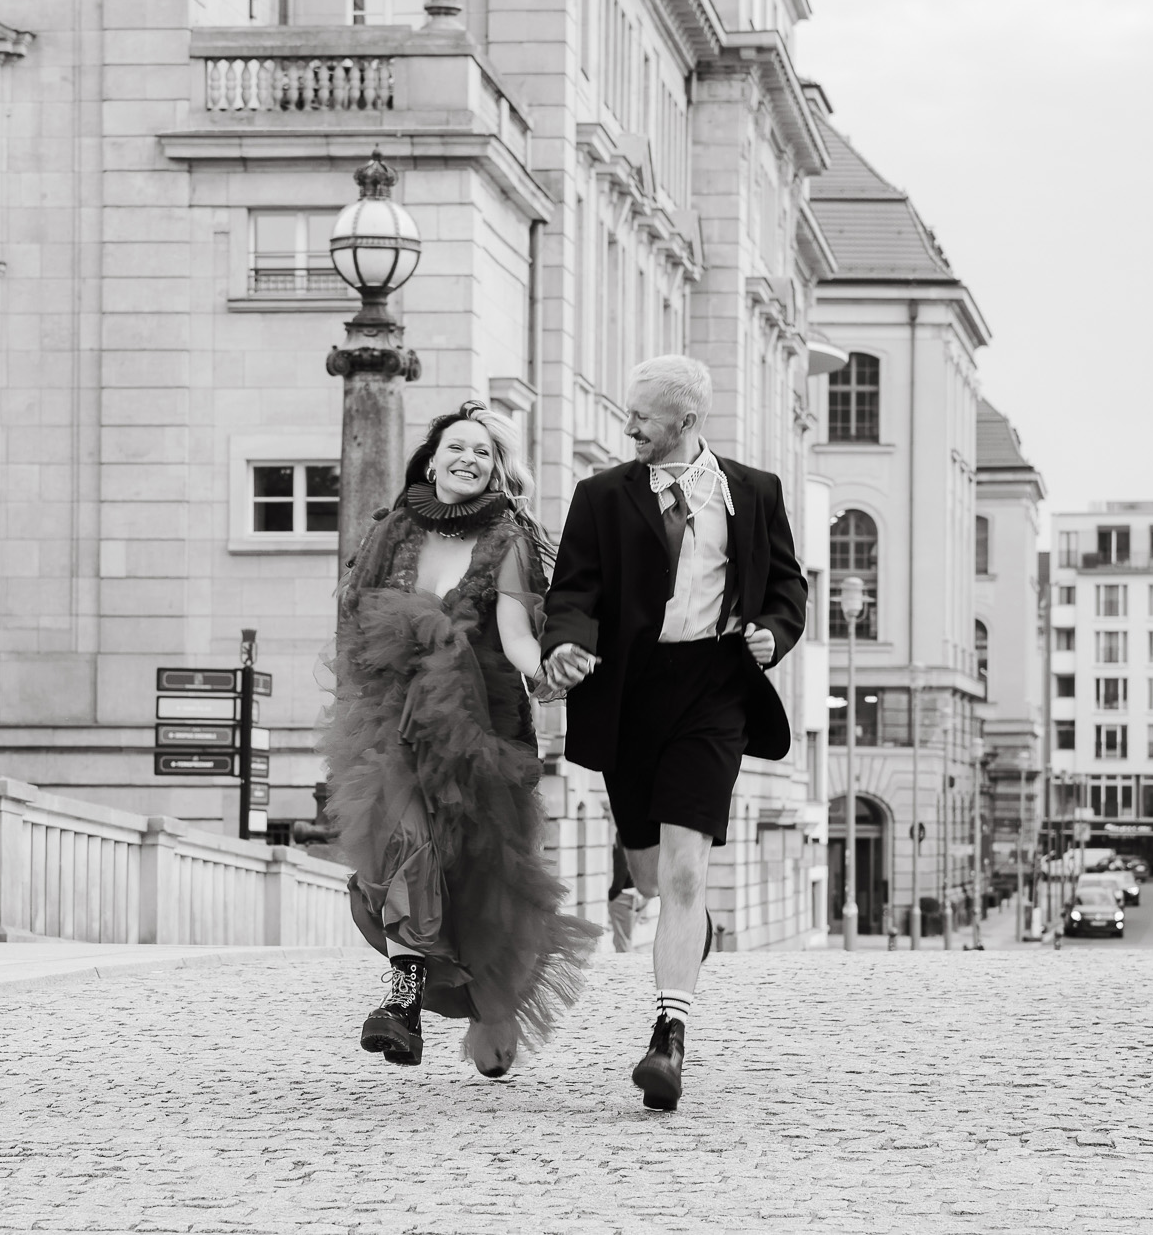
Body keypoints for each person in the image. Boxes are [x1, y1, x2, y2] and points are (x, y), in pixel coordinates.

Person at [541, 355, 806, 1110]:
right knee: (654, 876)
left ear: (686, 423)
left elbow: (788, 585)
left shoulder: (754, 493)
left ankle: (669, 1037)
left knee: (688, 870)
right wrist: (565, 643)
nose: (628, 427)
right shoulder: (601, 496)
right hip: (628, 691)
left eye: (643, 418)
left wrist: (773, 634)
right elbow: (576, 588)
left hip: (714, 689)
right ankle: (691, 931)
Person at [321, 401, 600, 1077]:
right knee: (406, 847)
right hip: (393, 724)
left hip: (482, 729)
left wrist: (553, 669)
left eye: (483, 451)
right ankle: (405, 1002)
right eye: (457, 446)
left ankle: (492, 1008)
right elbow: (356, 619)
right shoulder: (394, 530)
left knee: (481, 880)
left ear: (497, 468)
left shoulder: (508, 537)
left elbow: (515, 636)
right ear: (432, 456)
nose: (468, 459)